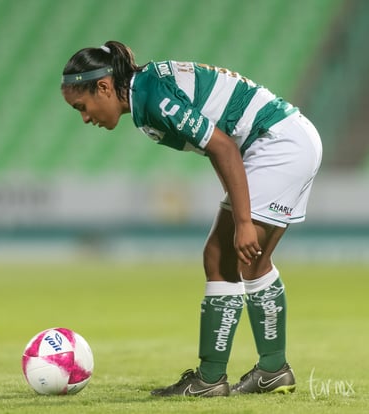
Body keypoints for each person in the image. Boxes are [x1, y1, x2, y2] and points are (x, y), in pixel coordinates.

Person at [61, 40, 322, 397]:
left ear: (104, 87)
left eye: (82, 106)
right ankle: (272, 370)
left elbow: (224, 147)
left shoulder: (154, 100)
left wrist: (243, 221)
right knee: (249, 262)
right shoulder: (146, 92)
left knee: (220, 257)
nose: (85, 117)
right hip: (286, 139)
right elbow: (219, 144)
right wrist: (236, 208)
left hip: (277, 144)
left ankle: (211, 379)